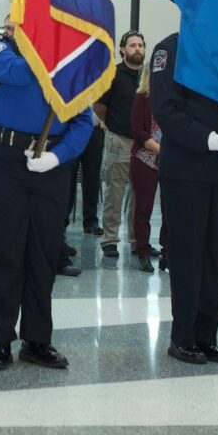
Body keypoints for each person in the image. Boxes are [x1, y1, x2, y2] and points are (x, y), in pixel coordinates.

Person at [0, 32, 93, 370]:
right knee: (1, 250)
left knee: (43, 254)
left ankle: (37, 340)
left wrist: (58, 157)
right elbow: (16, 73)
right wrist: (57, 59)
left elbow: (83, 122)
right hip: (0, 157)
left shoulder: (71, 64)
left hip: (50, 161)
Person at [146, 32, 218, 364]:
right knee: (187, 255)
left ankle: (206, 335)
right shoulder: (170, 50)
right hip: (187, 168)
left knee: (215, 255)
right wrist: (209, 139)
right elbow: (165, 109)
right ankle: (183, 337)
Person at [95, 31, 145, 262]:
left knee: (140, 194)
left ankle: (137, 241)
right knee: (114, 192)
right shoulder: (113, 73)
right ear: (123, 49)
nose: (137, 49)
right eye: (132, 45)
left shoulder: (148, 76)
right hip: (119, 140)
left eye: (141, 45)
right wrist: (112, 124)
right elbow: (99, 105)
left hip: (144, 143)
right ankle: (110, 239)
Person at [126, 65, 165, 272]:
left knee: (169, 209)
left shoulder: (172, 97)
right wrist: (159, 149)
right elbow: (137, 130)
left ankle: (167, 251)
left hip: (169, 161)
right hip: (145, 159)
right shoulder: (142, 96)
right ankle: (142, 251)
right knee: (144, 209)